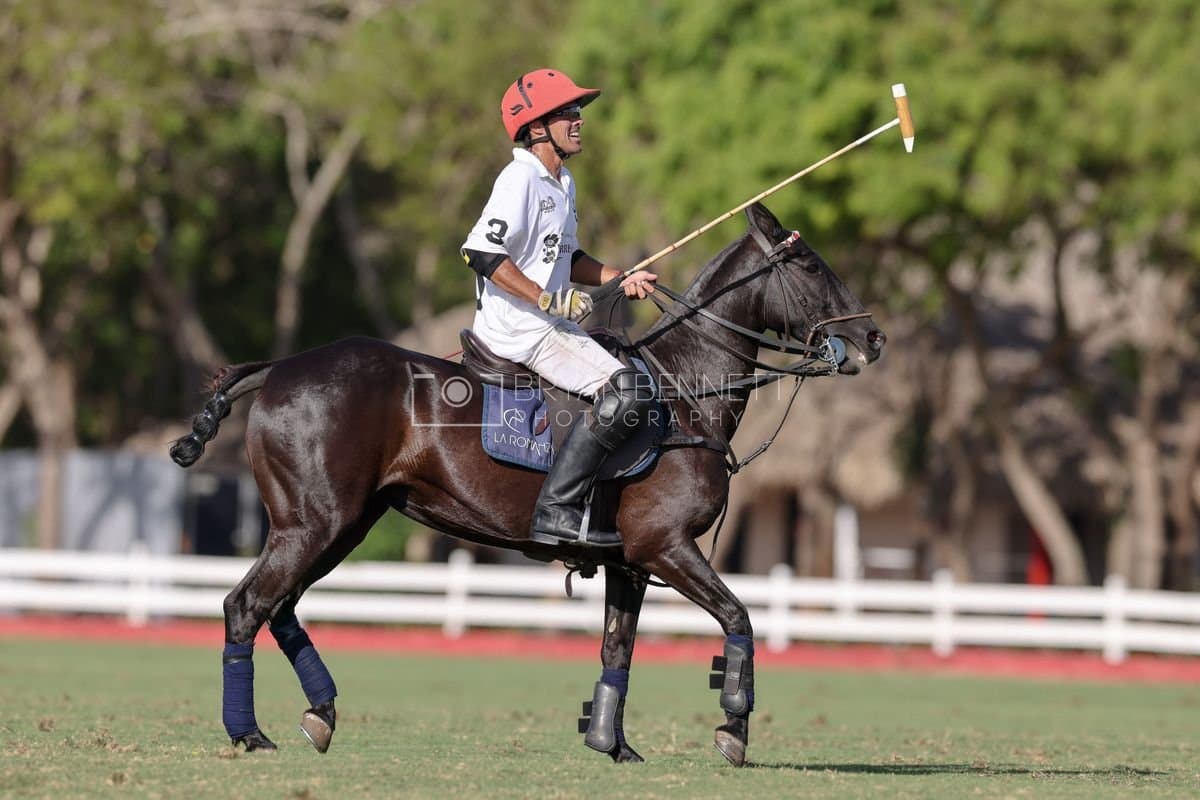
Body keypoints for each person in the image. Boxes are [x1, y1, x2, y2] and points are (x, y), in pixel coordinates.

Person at [460, 68, 658, 549]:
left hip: (543, 321)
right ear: (535, 129)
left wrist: (618, 276)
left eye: (577, 112)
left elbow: (566, 257)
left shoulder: (562, 182)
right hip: (520, 329)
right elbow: (479, 252)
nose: (578, 121)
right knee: (630, 391)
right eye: (567, 113)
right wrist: (546, 299)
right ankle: (556, 510)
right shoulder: (519, 179)